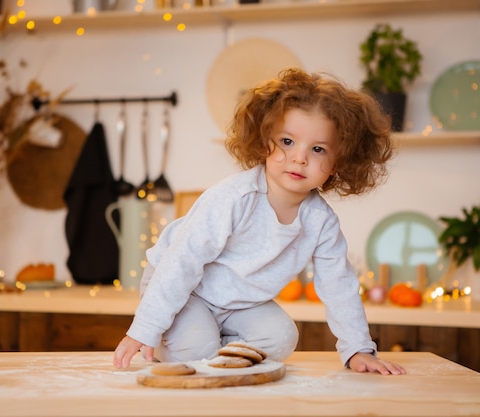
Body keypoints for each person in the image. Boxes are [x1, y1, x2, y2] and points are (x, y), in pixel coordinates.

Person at [113, 68, 405, 375]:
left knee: (281, 339)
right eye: (287, 141)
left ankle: (209, 343)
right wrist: (145, 328)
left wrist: (358, 348)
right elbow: (181, 263)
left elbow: (339, 285)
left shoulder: (320, 221)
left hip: (240, 303)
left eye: (318, 149)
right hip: (185, 290)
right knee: (197, 350)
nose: (300, 158)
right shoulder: (232, 198)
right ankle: (174, 340)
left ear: (339, 162)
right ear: (264, 140)